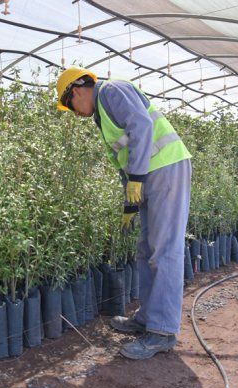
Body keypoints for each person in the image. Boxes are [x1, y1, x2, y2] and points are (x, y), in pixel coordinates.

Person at [55, 66, 192, 360]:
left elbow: (142, 126)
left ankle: (163, 332)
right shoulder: (102, 112)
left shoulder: (111, 91)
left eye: (70, 106)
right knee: (146, 250)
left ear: (77, 92)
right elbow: (124, 155)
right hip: (151, 174)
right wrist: (130, 201)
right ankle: (148, 318)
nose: (75, 113)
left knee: (164, 251)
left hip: (166, 169)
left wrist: (137, 179)